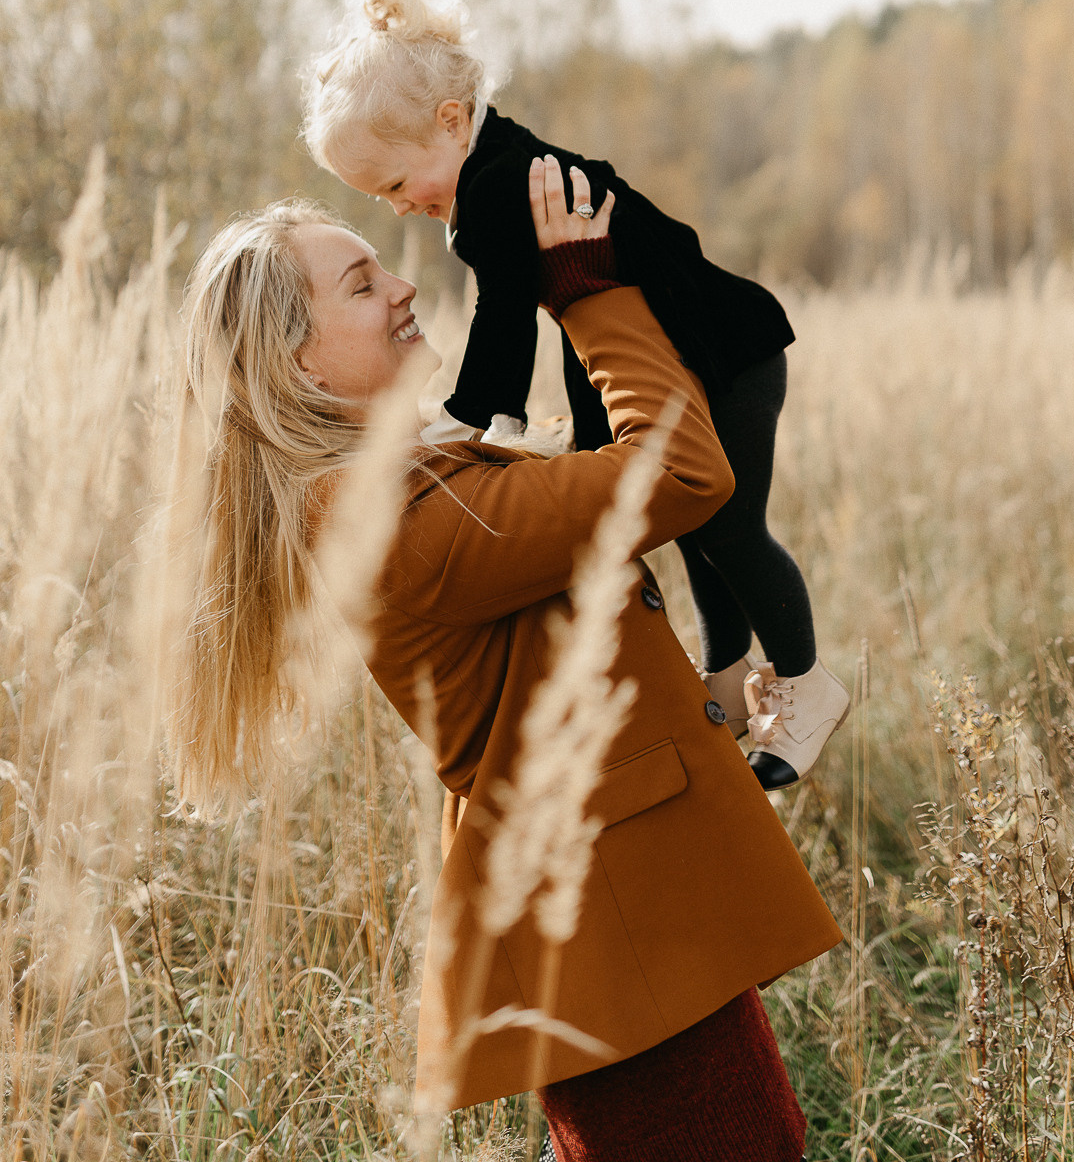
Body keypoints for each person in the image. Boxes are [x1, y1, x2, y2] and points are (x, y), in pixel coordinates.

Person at [167, 157, 843, 1159]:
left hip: (627, 928)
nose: (401, 285)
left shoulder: (406, 484)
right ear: (297, 360)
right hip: (615, 941)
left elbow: (528, 688)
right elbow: (683, 472)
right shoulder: (397, 520)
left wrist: (704, 703)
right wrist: (588, 290)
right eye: (360, 284)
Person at [300, 0, 850, 787]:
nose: (397, 209)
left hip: (728, 351)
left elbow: (506, 312)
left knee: (728, 526)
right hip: (708, 348)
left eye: (391, 185)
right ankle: (729, 681)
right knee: (699, 525)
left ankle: (804, 685)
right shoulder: (499, 162)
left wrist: (477, 413)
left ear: (450, 123)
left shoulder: (496, 186)